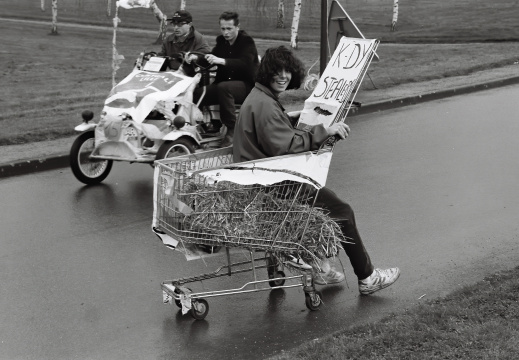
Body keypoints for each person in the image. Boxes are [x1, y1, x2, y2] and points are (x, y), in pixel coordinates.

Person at [233, 46, 400, 295]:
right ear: (266, 72)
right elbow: (285, 146)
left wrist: (293, 118)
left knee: (315, 215)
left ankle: (318, 267)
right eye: (277, 71)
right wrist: (324, 132)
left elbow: (272, 131)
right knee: (341, 211)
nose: (283, 76)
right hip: (275, 183)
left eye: (287, 71)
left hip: (262, 178)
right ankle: (367, 277)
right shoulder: (266, 105)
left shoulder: (260, 98)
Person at [193, 11, 260, 147]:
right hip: (224, 85)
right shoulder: (221, 41)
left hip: (246, 86)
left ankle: (232, 129)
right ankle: (206, 125)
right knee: (198, 93)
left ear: (237, 27)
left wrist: (222, 61)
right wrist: (196, 58)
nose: (226, 32)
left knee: (224, 87)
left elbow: (245, 63)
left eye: (229, 28)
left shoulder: (246, 41)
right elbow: (211, 59)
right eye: (223, 28)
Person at [157, 10, 211, 75]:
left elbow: (206, 55)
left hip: (192, 76)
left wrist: (196, 57)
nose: (176, 28)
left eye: (180, 24)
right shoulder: (168, 40)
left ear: (190, 24)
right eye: (174, 24)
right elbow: (161, 57)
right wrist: (154, 58)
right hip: (172, 74)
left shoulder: (198, 39)